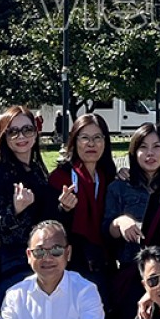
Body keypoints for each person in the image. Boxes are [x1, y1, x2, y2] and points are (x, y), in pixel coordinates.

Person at [0, 105, 76, 299]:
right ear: (4, 136)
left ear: (35, 132)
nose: (21, 136)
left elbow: (46, 218)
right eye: (13, 132)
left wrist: (63, 207)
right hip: (15, 260)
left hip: (46, 255)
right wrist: (15, 210)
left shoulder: (37, 170)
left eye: (27, 129)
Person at [104, 122, 160, 319]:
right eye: (143, 147)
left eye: (156, 146)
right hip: (132, 275)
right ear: (134, 151)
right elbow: (106, 232)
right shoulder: (119, 186)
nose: (150, 153)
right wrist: (119, 221)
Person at [49, 113, 117, 295]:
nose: (91, 144)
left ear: (105, 142)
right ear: (74, 141)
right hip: (73, 265)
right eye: (84, 138)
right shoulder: (60, 178)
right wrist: (63, 209)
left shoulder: (109, 177)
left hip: (104, 262)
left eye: (97, 138)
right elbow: (47, 223)